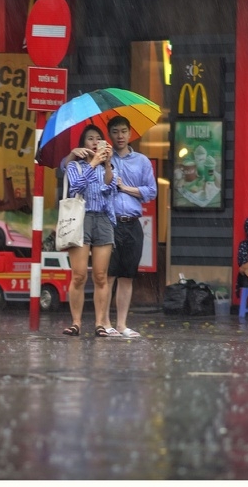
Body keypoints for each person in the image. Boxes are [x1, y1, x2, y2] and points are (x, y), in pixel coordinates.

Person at [96, 115, 158, 338]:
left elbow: (151, 191)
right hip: (109, 223)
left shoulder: (141, 161)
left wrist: (125, 188)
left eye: (123, 131)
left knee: (127, 276)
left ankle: (122, 324)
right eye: (115, 132)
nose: (120, 136)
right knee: (108, 275)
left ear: (130, 133)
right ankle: (105, 322)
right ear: (109, 135)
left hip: (132, 223)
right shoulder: (104, 158)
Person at [61, 125, 117, 337]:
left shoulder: (108, 166)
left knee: (101, 276)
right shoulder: (75, 166)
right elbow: (76, 186)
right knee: (79, 275)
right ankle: (76, 322)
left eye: (99, 139)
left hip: (103, 219)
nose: (95, 142)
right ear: (83, 144)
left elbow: (110, 188)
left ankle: (100, 323)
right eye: (90, 139)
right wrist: (93, 164)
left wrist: (108, 163)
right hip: (80, 218)